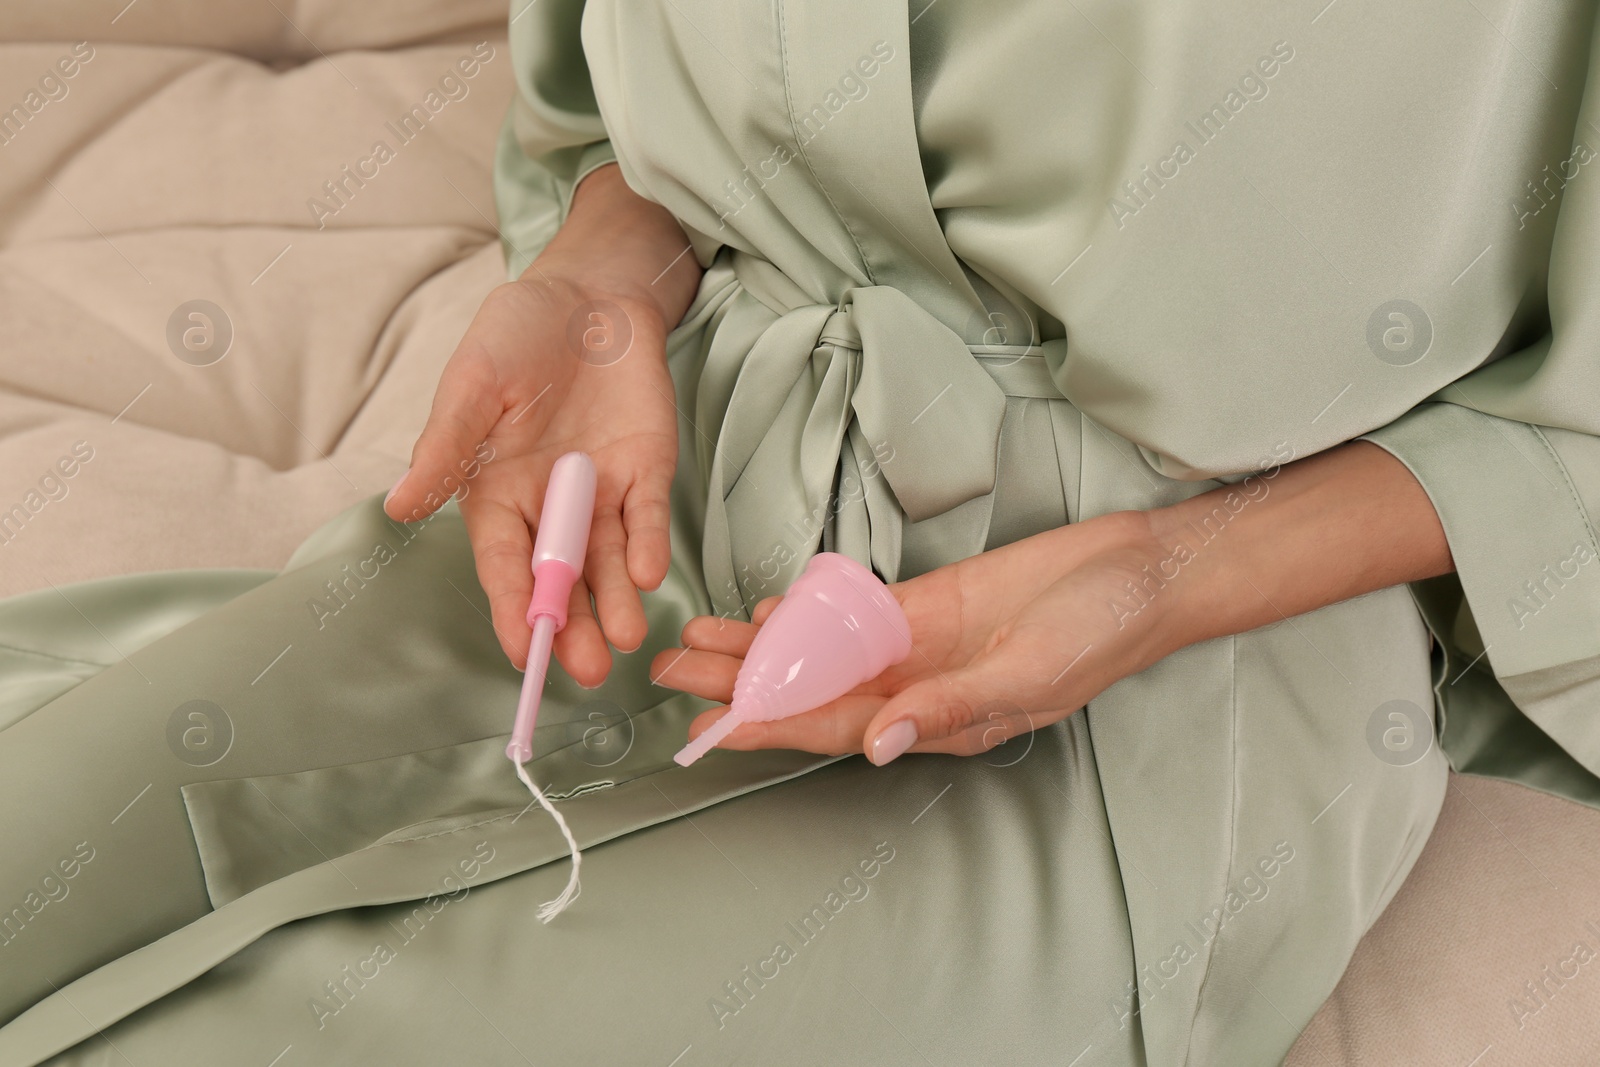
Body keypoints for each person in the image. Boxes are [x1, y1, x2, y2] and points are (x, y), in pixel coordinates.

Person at [3, 2, 1599, 1064]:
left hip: (1156, 685)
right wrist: (607, 279)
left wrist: (1147, 584)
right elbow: (654, 116)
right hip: (665, 476)